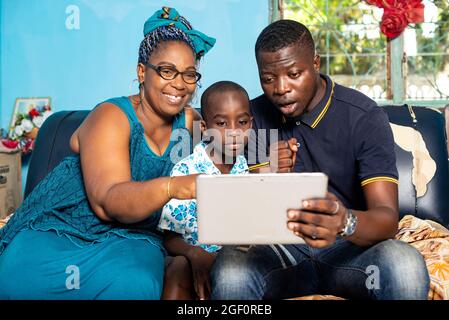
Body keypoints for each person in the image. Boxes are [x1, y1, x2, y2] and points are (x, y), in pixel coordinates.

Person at [0, 7, 215, 299]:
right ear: (142, 72)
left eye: (190, 75)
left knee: (134, 284)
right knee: (19, 280)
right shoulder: (111, 115)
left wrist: (269, 156)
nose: (179, 84)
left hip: (134, 238)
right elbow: (109, 201)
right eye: (167, 71)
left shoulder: (188, 122)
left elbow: (234, 134)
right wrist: (173, 187)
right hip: (61, 227)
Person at [210, 20, 430, 300]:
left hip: (349, 250)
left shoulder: (363, 117)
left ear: (315, 62)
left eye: (294, 73)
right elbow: (224, 198)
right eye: (268, 78)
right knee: (231, 269)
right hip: (278, 253)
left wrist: (343, 221)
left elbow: (386, 219)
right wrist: (266, 174)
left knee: (405, 264)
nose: (280, 88)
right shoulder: (248, 118)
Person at [159, 81, 252, 300]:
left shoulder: (242, 167)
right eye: (221, 123)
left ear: (251, 124)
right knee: (178, 268)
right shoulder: (186, 170)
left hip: (231, 262)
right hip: (194, 257)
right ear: (204, 128)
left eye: (242, 122)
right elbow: (170, 238)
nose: (233, 133)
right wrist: (195, 254)